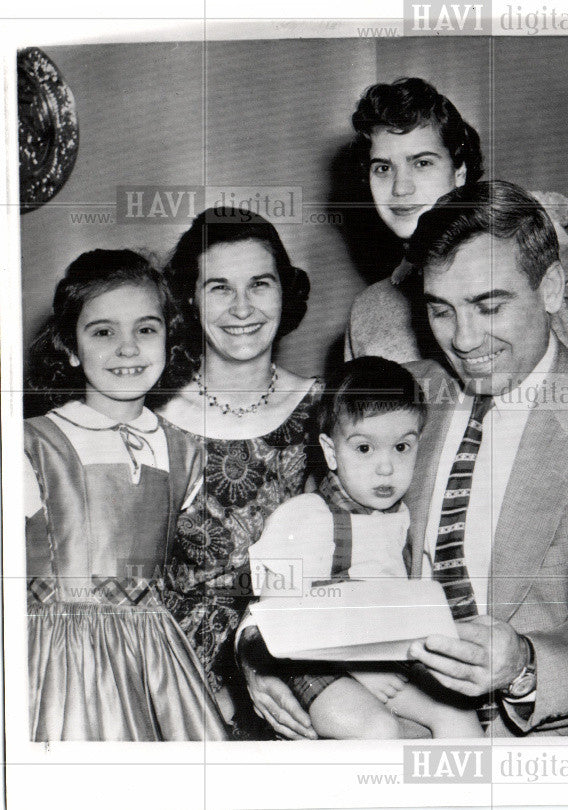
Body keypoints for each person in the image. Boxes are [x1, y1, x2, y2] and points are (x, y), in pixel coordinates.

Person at [243, 180, 568, 737]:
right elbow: (311, 532)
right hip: (397, 712)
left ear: (549, 288)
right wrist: (261, 651)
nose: (465, 340)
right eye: (442, 312)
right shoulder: (401, 398)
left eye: (488, 306)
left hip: (554, 734)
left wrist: (523, 664)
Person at [23, 249, 228, 741]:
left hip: (153, 656)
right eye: (102, 332)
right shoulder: (31, 444)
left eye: (146, 329)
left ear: (169, 338)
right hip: (60, 657)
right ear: (70, 347)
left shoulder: (183, 451)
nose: (128, 348)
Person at [241, 357, 483, 739]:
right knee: (378, 729)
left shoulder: (400, 518)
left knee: (460, 719)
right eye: (365, 448)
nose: (386, 467)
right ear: (331, 451)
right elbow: (277, 621)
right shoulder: (306, 517)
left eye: (402, 447)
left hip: (385, 659)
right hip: (312, 663)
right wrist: (358, 667)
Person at [158, 210, 323, 738]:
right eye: (219, 288)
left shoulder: (327, 409)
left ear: (284, 292)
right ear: (189, 298)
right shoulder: (151, 418)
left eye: (260, 284)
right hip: (172, 680)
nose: (243, 308)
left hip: (299, 667)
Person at [342, 77, 568, 364]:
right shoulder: (367, 309)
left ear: (459, 173)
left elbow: (567, 394)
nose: (401, 188)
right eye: (383, 168)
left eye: (422, 163)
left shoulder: (517, 278)